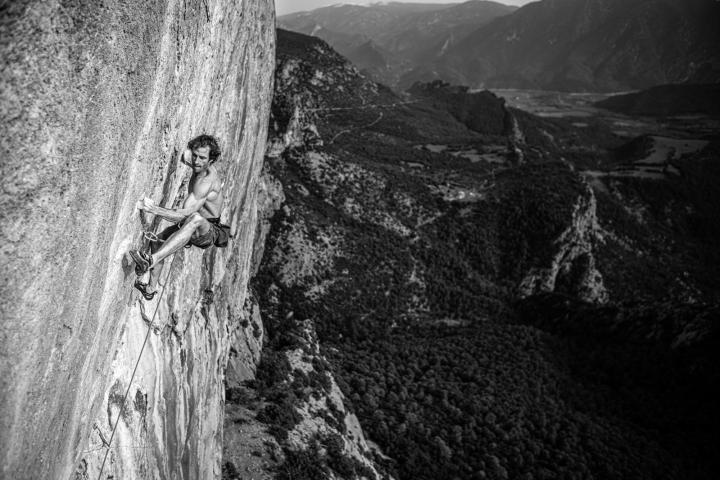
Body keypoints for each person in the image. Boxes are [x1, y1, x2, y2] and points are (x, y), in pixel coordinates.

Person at [129, 134, 230, 298]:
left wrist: (154, 209)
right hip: (189, 222)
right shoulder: (198, 162)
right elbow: (186, 155)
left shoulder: (206, 183)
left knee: (195, 218)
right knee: (157, 241)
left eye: (202, 158)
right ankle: (150, 289)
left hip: (208, 231)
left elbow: (184, 216)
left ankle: (150, 260)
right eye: (195, 156)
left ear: (211, 161)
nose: (196, 161)